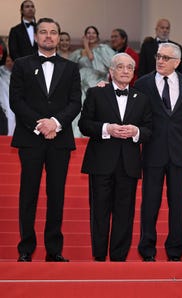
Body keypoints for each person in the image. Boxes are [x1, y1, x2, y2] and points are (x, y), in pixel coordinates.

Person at [9, 17, 81, 262]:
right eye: (43, 32)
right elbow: (16, 101)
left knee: (56, 193)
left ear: (59, 36)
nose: (48, 36)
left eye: (53, 32)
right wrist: (41, 124)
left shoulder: (71, 68)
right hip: (31, 138)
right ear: (36, 36)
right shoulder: (21, 65)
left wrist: (56, 124)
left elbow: (75, 102)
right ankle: (26, 249)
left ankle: (54, 250)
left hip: (59, 140)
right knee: (28, 193)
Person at [79, 53, 152, 262]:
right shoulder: (95, 93)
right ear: (111, 71)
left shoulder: (142, 99)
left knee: (124, 213)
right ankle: (99, 258)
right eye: (121, 67)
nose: (126, 71)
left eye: (130, 68)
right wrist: (106, 128)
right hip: (100, 163)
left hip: (128, 165)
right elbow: (84, 124)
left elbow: (149, 130)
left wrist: (135, 131)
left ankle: (119, 259)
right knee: (99, 212)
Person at [134, 42, 182, 262]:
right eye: (158, 56)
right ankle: (147, 250)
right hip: (153, 152)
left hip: (180, 153)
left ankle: (175, 251)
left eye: (165, 57)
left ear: (177, 62)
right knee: (150, 203)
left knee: (177, 205)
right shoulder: (143, 83)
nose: (160, 61)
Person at [69, 25, 115, 137]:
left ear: (97, 36)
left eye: (93, 33)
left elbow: (101, 66)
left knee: (94, 109)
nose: (91, 35)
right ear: (84, 35)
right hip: (80, 85)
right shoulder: (79, 52)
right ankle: (77, 135)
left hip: (96, 83)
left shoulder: (103, 49)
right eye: (88, 33)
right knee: (78, 109)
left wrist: (86, 46)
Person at [0, 55, 15, 135]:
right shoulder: (2, 73)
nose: (10, 63)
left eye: (11, 61)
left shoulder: (16, 74)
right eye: (7, 61)